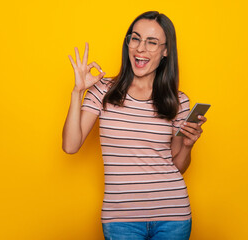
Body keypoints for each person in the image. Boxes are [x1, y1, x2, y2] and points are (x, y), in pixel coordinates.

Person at [62, 11, 207, 240]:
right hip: (121, 220)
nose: (140, 48)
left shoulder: (178, 101)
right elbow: (70, 146)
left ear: (166, 51)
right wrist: (77, 92)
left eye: (152, 43)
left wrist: (188, 145)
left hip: (173, 216)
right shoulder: (102, 90)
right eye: (136, 38)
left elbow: (177, 166)